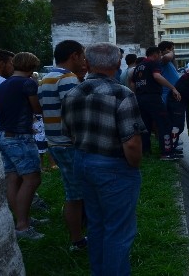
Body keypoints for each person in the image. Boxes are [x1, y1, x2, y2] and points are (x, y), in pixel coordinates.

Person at [62, 42, 145, 276]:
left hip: (83, 162)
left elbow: (67, 132)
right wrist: (134, 165)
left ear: (87, 63)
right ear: (117, 63)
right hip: (115, 166)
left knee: (97, 226)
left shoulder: (72, 93)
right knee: (118, 230)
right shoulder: (122, 93)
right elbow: (132, 141)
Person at [37, 40, 87, 250]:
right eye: (82, 56)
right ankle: (77, 240)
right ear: (74, 56)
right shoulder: (67, 79)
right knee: (75, 194)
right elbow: (74, 114)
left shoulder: (46, 78)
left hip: (54, 141)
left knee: (74, 190)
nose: (84, 61)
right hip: (68, 143)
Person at [0, 52, 44, 240]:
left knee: (13, 179)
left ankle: (22, 220)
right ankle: (23, 226)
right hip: (19, 136)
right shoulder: (28, 83)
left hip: (3, 135)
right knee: (31, 179)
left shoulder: (3, 84)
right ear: (31, 67)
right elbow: (37, 108)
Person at [132, 47, 181, 160]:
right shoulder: (153, 63)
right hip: (153, 97)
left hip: (140, 98)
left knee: (145, 126)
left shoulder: (139, 66)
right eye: (159, 55)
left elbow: (133, 84)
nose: (160, 58)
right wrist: (173, 88)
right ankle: (166, 153)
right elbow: (157, 76)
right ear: (155, 54)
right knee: (164, 124)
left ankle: (145, 152)